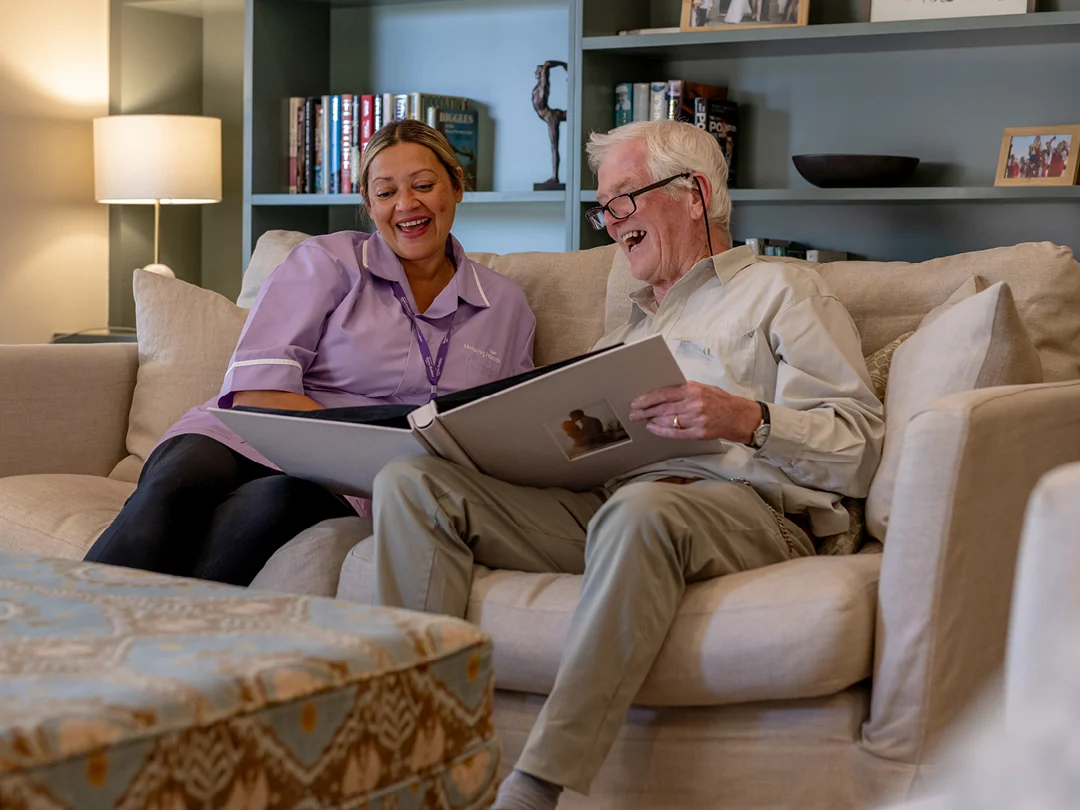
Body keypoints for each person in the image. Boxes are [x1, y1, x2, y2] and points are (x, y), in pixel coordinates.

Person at [366, 119, 884, 810]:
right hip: (609, 505)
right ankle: (417, 763)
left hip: (743, 510)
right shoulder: (628, 331)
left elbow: (859, 450)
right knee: (412, 483)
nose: (610, 224)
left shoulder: (784, 291)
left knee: (644, 509)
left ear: (694, 194)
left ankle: (535, 783)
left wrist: (747, 419)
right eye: (603, 207)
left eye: (624, 200)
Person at [84, 120, 536, 586]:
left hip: (346, 477)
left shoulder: (505, 305)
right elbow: (257, 391)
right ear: (368, 205)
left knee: (269, 508)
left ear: (457, 187)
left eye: (423, 185)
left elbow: (509, 427)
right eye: (385, 193)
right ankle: (63, 633)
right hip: (245, 435)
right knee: (175, 490)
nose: (406, 205)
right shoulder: (326, 262)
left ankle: (170, 641)